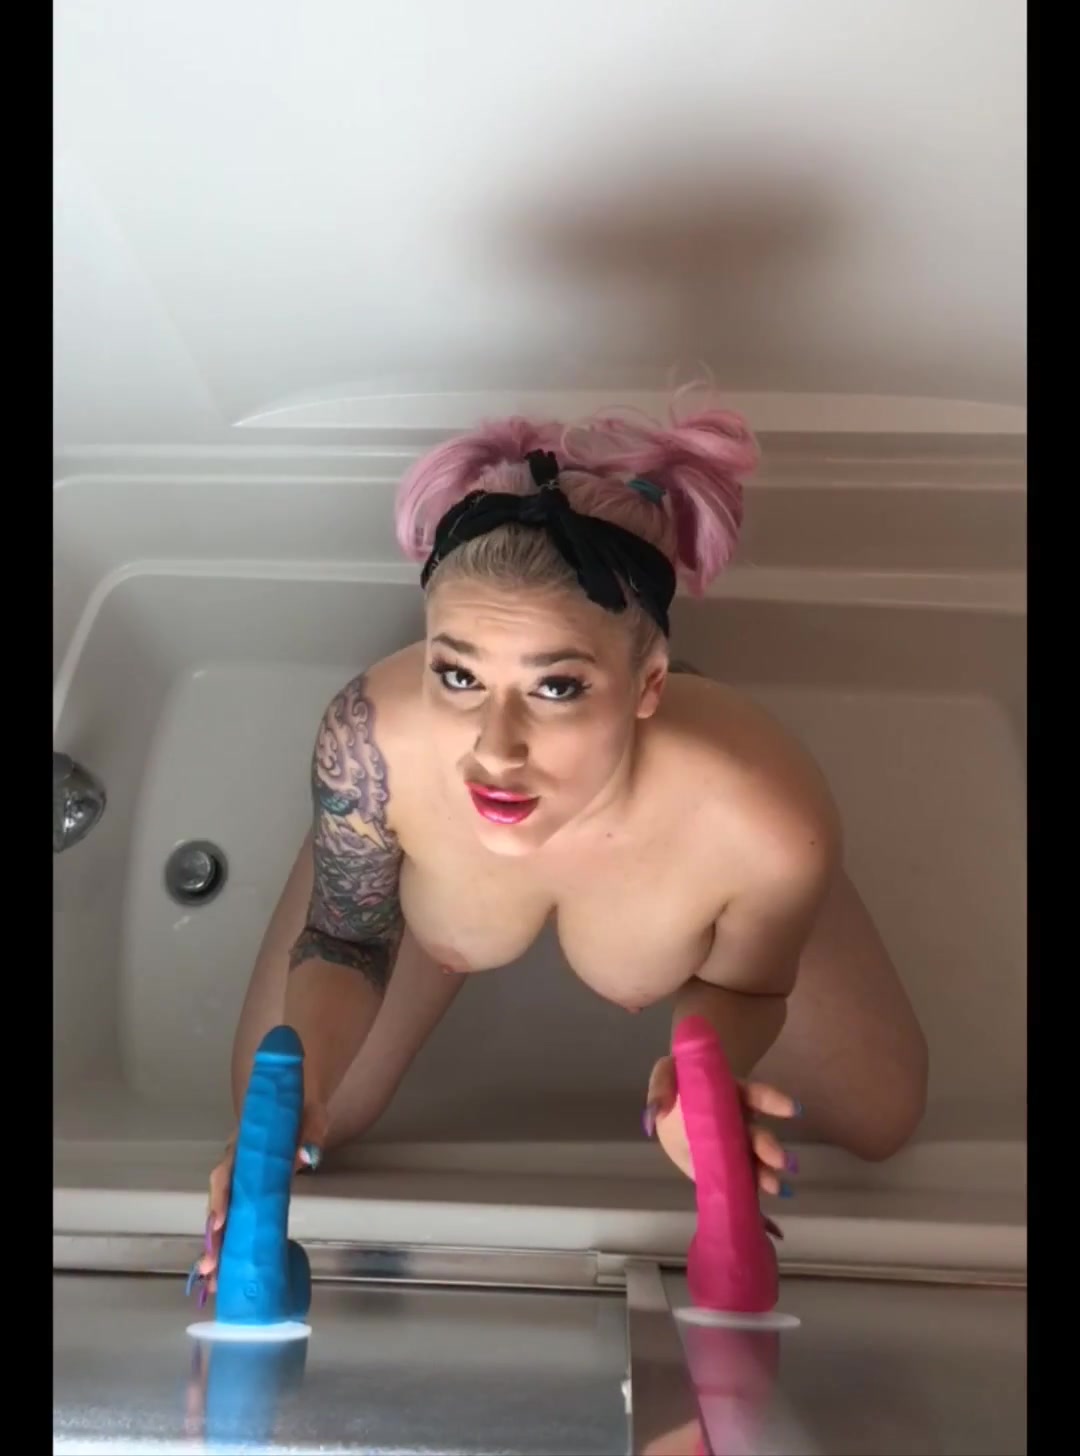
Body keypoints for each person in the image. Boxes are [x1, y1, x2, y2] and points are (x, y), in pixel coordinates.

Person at [197, 402, 927, 1292]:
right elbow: (344, 935)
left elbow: (747, 987)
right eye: (457, 673)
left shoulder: (761, 814)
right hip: (413, 833)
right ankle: (396, 850)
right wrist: (299, 1091)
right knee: (304, 1114)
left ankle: (747, 882)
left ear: (648, 685)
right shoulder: (371, 744)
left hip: (706, 823)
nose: (494, 749)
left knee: (882, 1116)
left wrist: (700, 1075)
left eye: (557, 687)